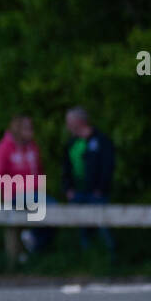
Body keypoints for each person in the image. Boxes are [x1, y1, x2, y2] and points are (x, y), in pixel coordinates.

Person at [0, 114, 50, 257]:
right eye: (27, 128)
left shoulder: (33, 148)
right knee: (50, 206)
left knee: (52, 211)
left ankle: (32, 245)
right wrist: (22, 188)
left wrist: (37, 185)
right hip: (13, 196)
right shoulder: (4, 148)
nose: (31, 131)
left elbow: (40, 172)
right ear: (17, 129)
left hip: (35, 195)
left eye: (31, 127)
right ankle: (29, 245)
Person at [62, 107, 116, 258]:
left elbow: (108, 167)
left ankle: (111, 258)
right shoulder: (71, 143)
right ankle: (87, 258)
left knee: (103, 226)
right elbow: (66, 168)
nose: (67, 126)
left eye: (69, 122)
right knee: (82, 229)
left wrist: (101, 188)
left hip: (97, 194)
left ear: (79, 121)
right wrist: (68, 189)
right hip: (77, 194)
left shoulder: (101, 140)